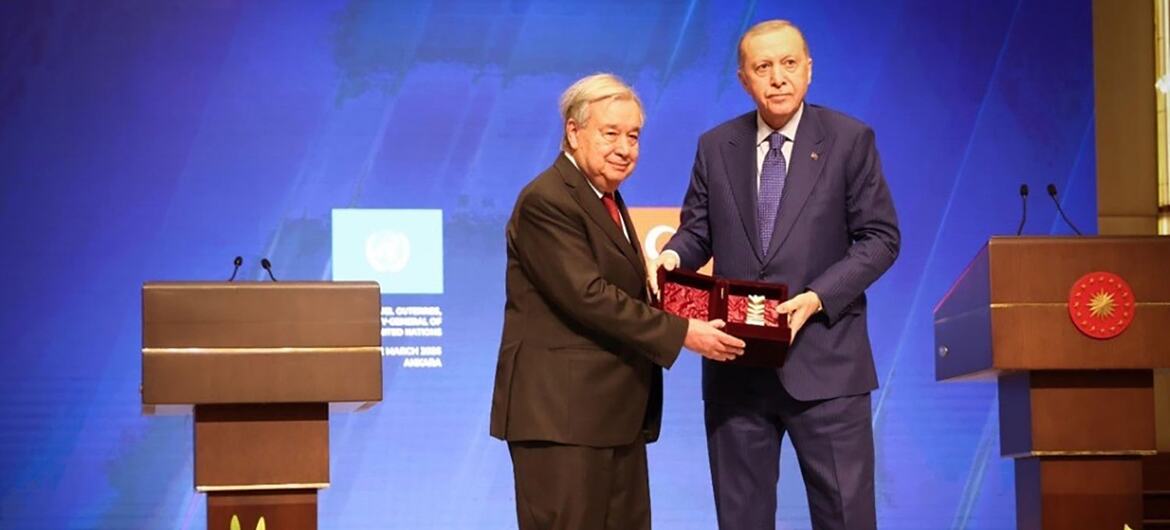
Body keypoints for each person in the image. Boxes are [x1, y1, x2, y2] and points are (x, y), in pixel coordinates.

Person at [650, 20, 900, 530]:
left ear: (809, 70)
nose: (778, 78)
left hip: (827, 364)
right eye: (763, 67)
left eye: (789, 64)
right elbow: (697, 232)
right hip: (736, 369)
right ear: (744, 79)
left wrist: (815, 298)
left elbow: (880, 239)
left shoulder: (850, 140)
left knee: (846, 520)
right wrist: (674, 258)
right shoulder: (716, 146)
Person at [489, 73, 746, 530]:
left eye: (634, 136)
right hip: (562, 421)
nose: (625, 148)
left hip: (612, 418)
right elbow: (588, 297)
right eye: (611, 133)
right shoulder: (547, 200)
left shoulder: (605, 198)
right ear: (573, 131)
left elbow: (623, 292)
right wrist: (684, 331)